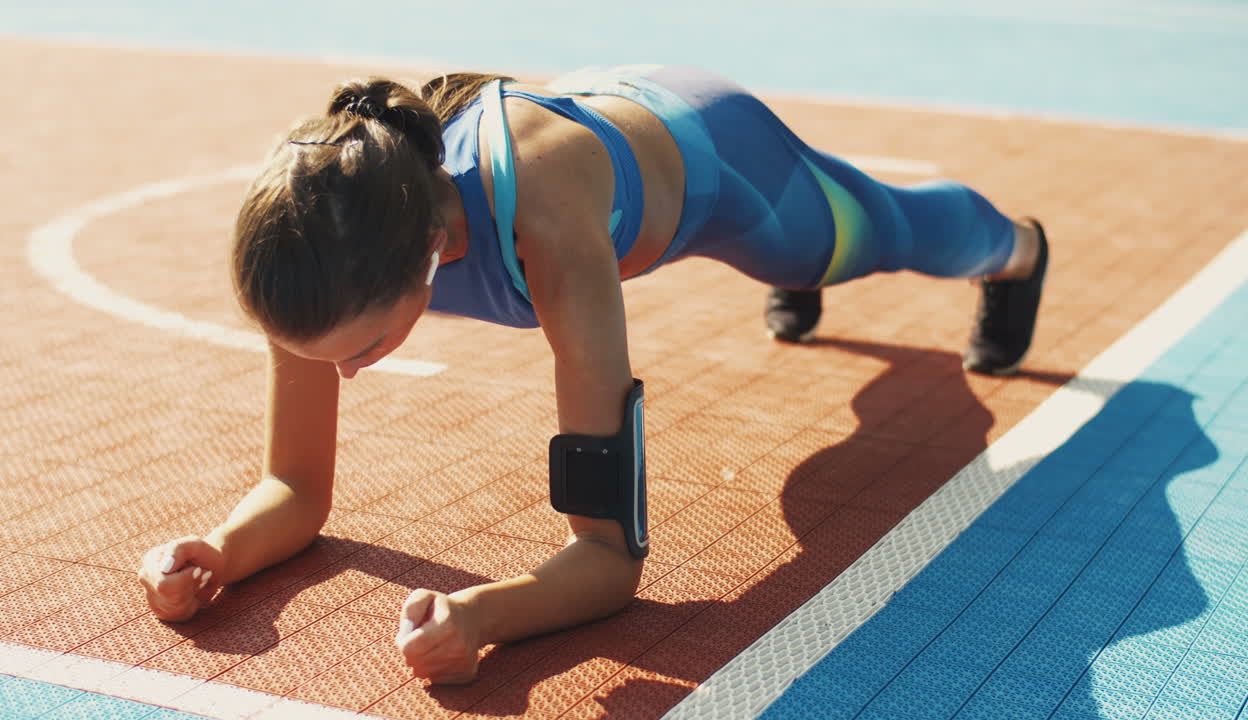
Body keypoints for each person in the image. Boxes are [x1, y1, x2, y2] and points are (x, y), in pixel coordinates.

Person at [135, 64, 1048, 684]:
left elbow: (610, 560)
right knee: (802, 271)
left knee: (862, 237)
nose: (348, 374)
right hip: (601, 117)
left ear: (428, 262)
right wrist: (225, 550)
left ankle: (1016, 249)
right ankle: (798, 282)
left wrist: (485, 619)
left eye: (362, 354)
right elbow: (294, 488)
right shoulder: (317, 244)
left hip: (719, 159)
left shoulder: (554, 235)